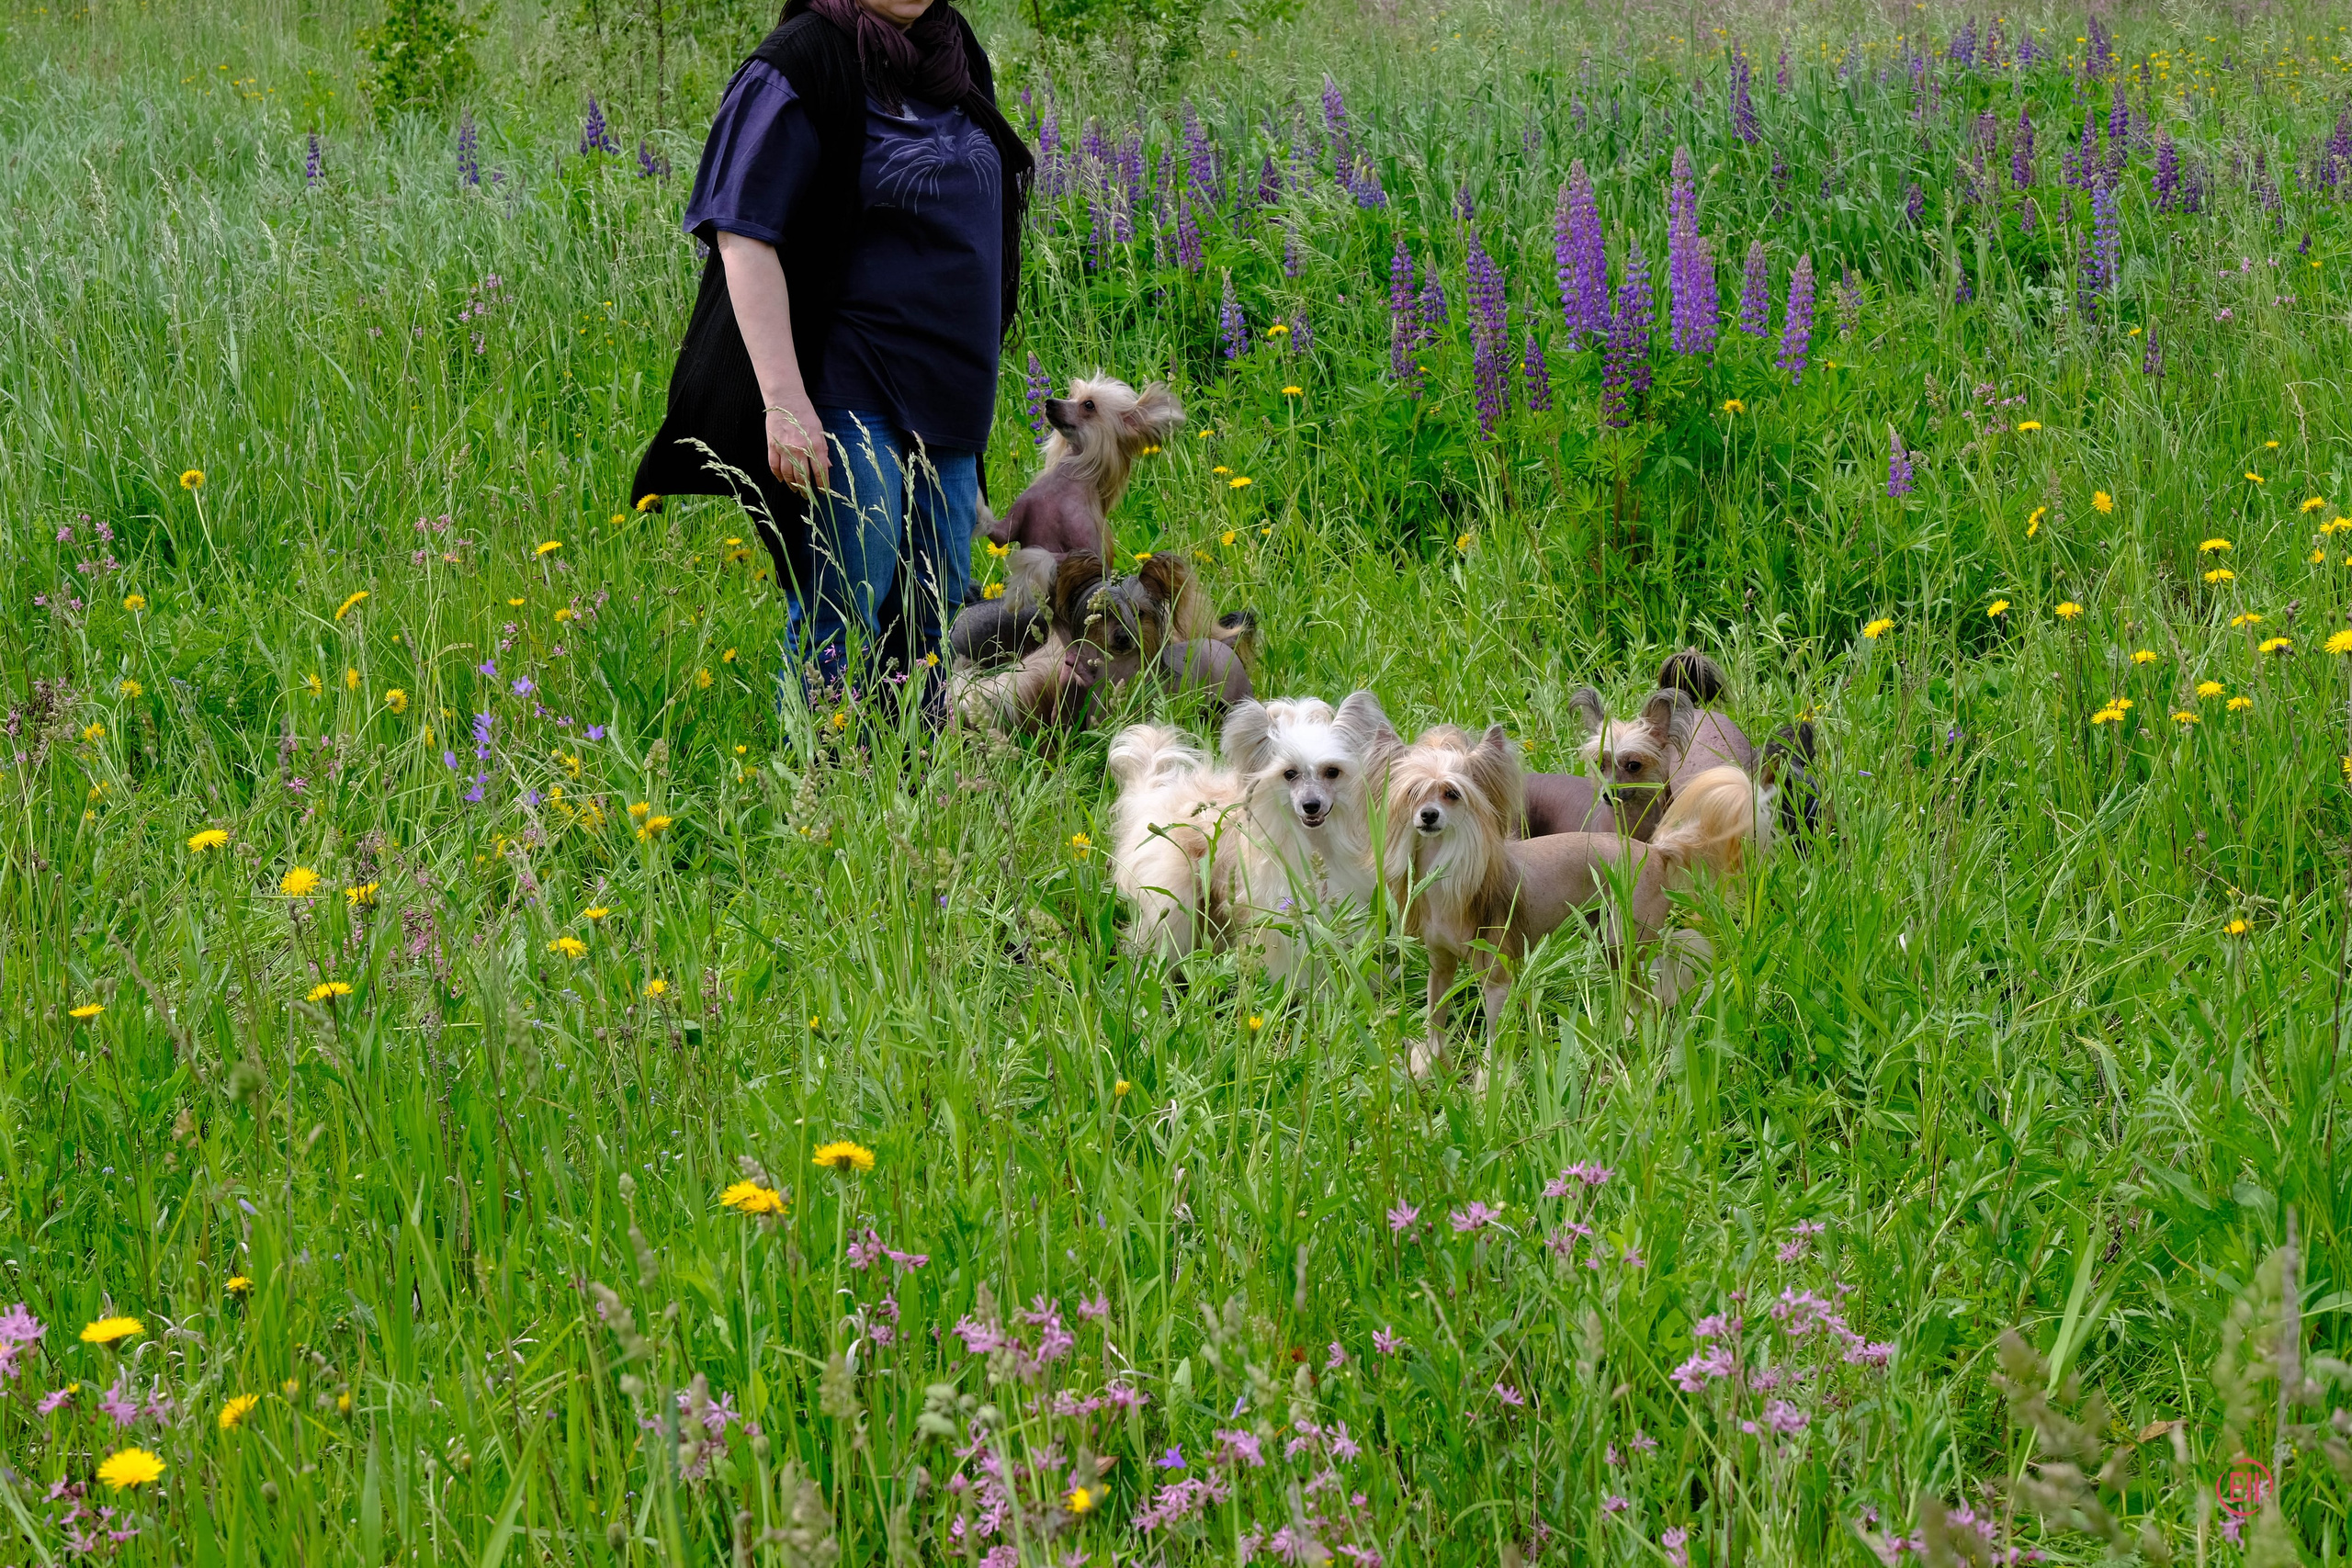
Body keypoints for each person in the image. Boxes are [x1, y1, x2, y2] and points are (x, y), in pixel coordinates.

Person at [631, 0, 1033, 706]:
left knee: (934, 604)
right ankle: (825, 782)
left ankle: (907, 777)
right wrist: (784, 401)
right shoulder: (799, 62)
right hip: (848, 382)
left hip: (952, 391)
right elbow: (743, 235)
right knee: (846, 601)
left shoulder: (952, 47)